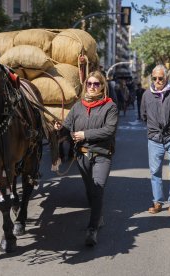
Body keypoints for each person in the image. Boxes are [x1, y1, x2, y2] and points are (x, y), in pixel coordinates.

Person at [54, 71, 118, 246]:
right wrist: (59, 128)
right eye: (89, 84)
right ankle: (98, 216)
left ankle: (92, 229)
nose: (91, 87)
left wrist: (85, 134)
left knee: (97, 188)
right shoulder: (78, 106)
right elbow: (67, 128)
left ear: (102, 86)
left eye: (96, 84)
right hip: (82, 155)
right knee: (90, 191)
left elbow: (109, 130)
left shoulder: (109, 106)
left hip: (102, 155)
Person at [141, 65, 170, 218]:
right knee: (155, 172)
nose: (157, 81)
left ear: (166, 77)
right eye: (154, 78)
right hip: (154, 138)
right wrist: (153, 128)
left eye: (160, 78)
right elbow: (143, 115)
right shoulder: (147, 94)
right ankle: (157, 202)